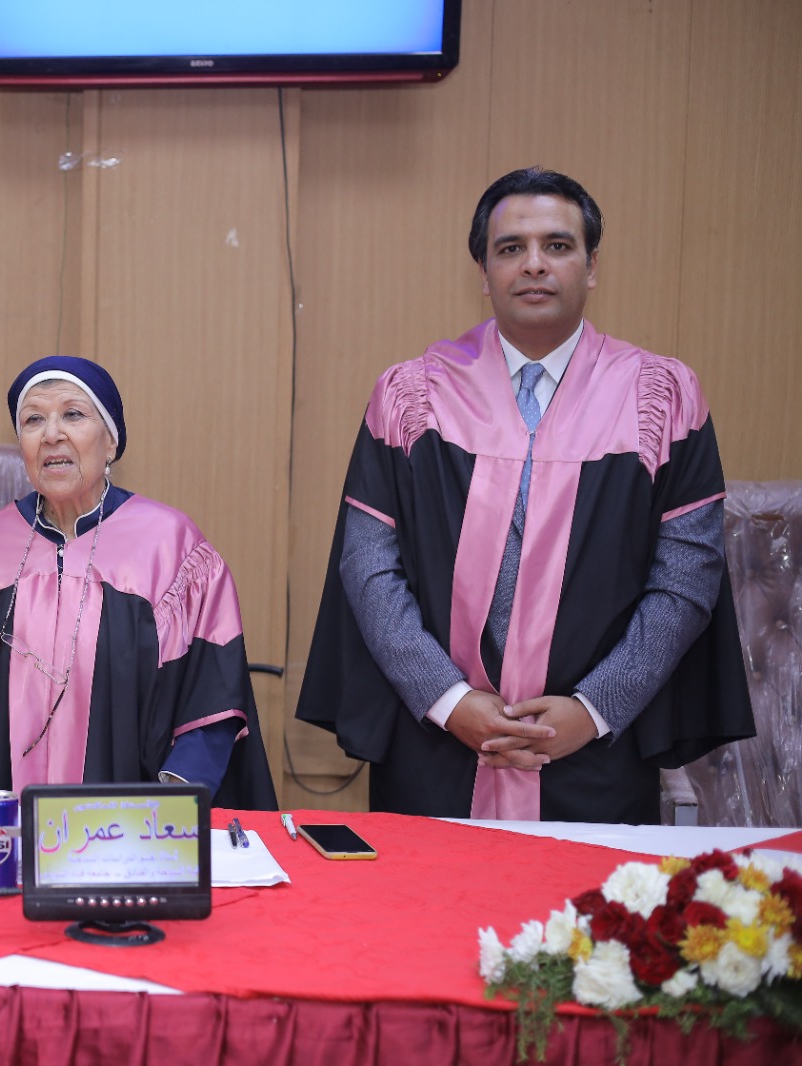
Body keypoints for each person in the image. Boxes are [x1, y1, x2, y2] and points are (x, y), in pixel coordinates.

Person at [296, 167, 754, 822]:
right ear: (483, 273)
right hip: (438, 745)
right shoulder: (412, 397)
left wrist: (592, 710)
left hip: (594, 752)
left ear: (592, 267)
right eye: (511, 248)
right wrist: (450, 700)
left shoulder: (661, 398)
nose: (534, 264)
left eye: (557, 246)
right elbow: (369, 567)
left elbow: (687, 572)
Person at [0, 356, 277, 808]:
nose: (51, 435)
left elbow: (212, 698)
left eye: (73, 414)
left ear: (111, 442)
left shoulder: (171, 550)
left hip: (130, 825)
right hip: (7, 818)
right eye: (33, 420)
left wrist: (173, 803)